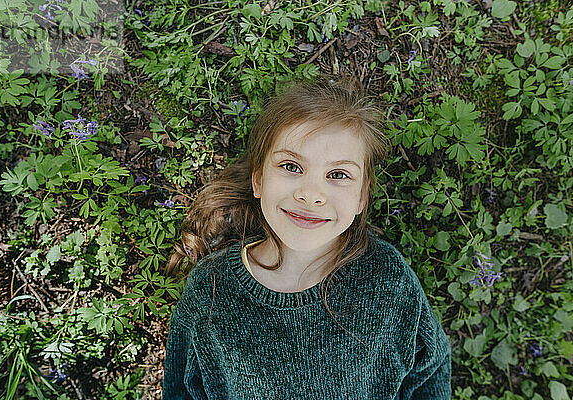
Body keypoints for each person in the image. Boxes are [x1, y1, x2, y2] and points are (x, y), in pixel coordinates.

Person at [162, 76, 452, 399]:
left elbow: (430, 372)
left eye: (338, 175)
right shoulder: (209, 290)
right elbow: (180, 389)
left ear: (361, 198)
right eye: (291, 166)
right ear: (258, 179)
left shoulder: (389, 280)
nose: (311, 194)